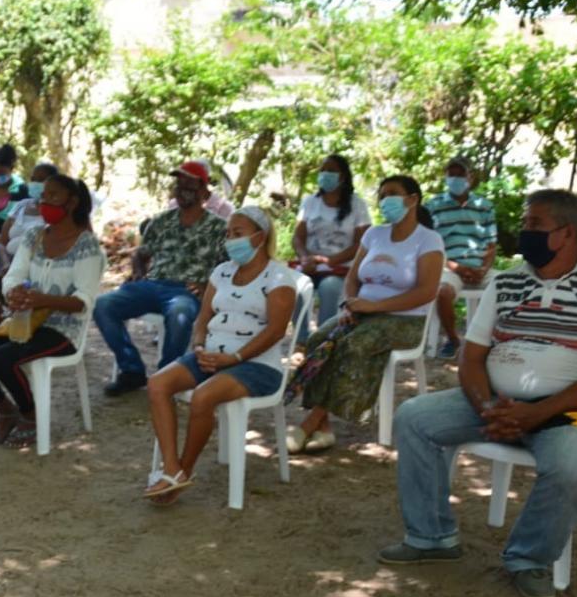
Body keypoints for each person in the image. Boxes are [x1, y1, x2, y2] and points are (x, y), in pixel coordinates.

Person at [379, 189, 577, 597]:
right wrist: (487, 406)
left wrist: (537, 413)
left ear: (566, 234)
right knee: (414, 417)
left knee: (572, 468)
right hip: (493, 400)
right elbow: (472, 356)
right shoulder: (508, 280)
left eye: (534, 225)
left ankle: (529, 558)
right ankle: (432, 538)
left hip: (569, 410)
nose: (523, 232)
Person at [143, 207, 297, 503]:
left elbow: (276, 332)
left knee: (203, 396)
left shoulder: (279, 278)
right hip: (211, 355)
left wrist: (236, 358)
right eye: (228, 234)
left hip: (256, 365)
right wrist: (199, 346)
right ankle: (172, 469)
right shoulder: (222, 272)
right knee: (158, 384)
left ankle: (182, 472)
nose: (230, 240)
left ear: (260, 237)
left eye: (237, 234)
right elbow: (203, 319)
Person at [285, 175, 444, 453]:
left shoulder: (428, 240)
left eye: (392, 193)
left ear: (412, 200)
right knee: (318, 339)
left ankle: (310, 423)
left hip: (405, 320)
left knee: (353, 344)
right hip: (362, 312)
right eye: (382, 195)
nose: (385, 200)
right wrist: (350, 304)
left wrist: (375, 307)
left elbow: (427, 292)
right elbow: (352, 278)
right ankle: (324, 429)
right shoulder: (374, 234)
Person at [0, 174, 105, 448]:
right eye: (43, 196)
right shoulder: (34, 236)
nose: (45, 201)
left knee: (3, 358)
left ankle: (30, 416)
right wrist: (14, 293)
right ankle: (5, 409)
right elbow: (13, 275)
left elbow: (82, 301)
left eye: (53, 196)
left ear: (71, 203)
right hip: (25, 321)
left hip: (64, 329)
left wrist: (43, 300)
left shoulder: (87, 246)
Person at [95, 161, 229, 396]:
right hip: (154, 284)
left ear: (204, 191)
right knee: (103, 305)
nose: (183, 187)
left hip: (187, 290)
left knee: (180, 313)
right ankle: (132, 370)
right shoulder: (161, 221)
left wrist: (207, 284)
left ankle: (166, 377)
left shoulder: (219, 227)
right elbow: (142, 254)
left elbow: (229, 268)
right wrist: (138, 273)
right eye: (180, 182)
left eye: (191, 183)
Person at [291, 153, 371, 348]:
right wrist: (304, 258)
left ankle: (323, 338)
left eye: (331, 171)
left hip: (340, 268)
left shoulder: (357, 205)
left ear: (343, 177)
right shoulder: (310, 202)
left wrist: (330, 261)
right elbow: (298, 237)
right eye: (323, 170)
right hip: (310, 266)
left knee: (330, 288)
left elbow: (362, 243)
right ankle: (301, 340)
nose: (325, 174)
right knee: (295, 287)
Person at [0, 162, 59, 322]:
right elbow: (3, 242)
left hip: (39, 266)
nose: (36, 183)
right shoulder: (21, 206)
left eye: (41, 179)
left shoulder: (57, 210)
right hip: (11, 262)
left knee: (21, 296)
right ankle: (7, 331)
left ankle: (23, 334)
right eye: (33, 178)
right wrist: (5, 264)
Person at [425, 155, 498, 359]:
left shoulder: (485, 205)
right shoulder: (433, 206)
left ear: (470, 177)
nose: (455, 179)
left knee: (508, 286)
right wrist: (457, 267)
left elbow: (491, 245)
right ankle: (453, 339)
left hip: (479, 267)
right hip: (448, 266)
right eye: (451, 174)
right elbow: (431, 247)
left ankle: (490, 340)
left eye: (460, 174)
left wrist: (483, 269)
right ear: (445, 177)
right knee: (442, 292)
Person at [166, 159, 235, 220]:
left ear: (204, 183)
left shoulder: (224, 209)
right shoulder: (174, 205)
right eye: (180, 182)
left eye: (190, 182)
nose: (183, 187)